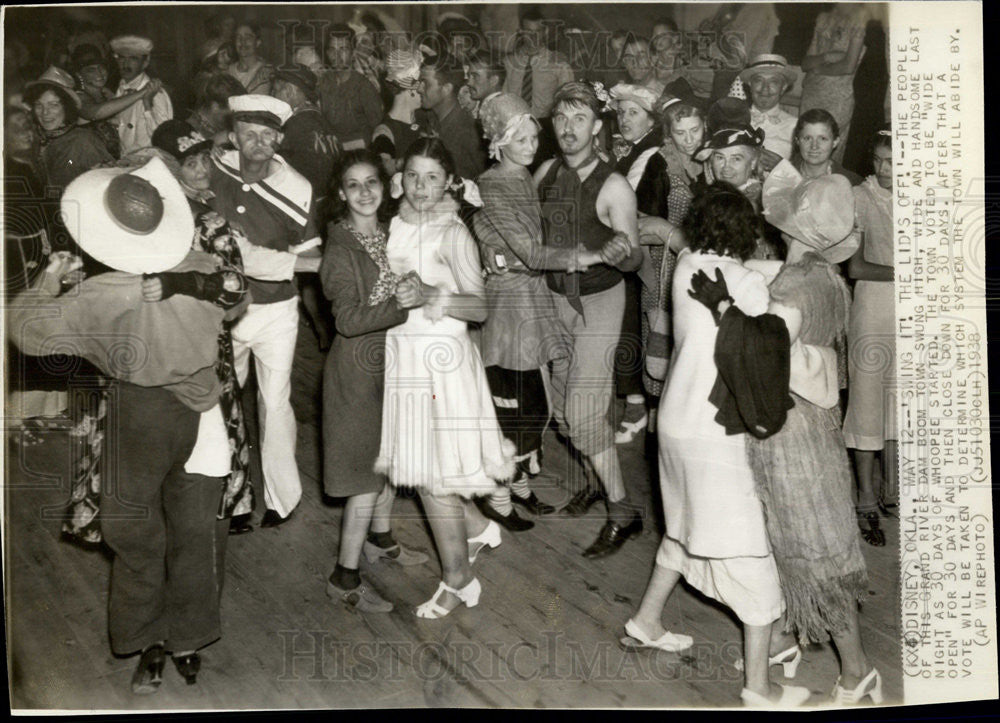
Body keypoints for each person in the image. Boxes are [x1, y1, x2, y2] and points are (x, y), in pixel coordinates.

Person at [9, 156, 246, 695]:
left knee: (130, 526)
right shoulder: (204, 266)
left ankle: (150, 641)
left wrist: (49, 280)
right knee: (197, 527)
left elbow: (22, 329)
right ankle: (189, 638)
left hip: (139, 417)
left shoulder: (94, 297)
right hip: (206, 409)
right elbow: (238, 299)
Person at [624, 184, 809, 707]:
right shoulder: (745, 281)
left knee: (684, 526)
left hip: (675, 421)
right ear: (744, 231)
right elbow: (778, 328)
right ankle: (758, 685)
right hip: (714, 430)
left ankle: (647, 620)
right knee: (750, 549)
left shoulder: (685, 266)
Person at [689, 252, 882, 706]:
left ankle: (858, 672)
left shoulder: (795, 288)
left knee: (817, 556)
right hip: (803, 424)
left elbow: (763, 351)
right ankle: (779, 640)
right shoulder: (820, 273)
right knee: (781, 540)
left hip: (793, 435)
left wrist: (722, 307)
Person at [376, 138, 513, 618]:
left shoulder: (454, 232)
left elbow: (479, 306)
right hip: (401, 356)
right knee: (426, 466)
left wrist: (433, 294)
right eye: (414, 175)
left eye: (433, 177)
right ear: (400, 178)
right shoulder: (388, 224)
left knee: (432, 474)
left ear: (449, 181)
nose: (421, 186)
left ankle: (459, 581)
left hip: (441, 360)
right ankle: (476, 527)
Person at [534, 82, 644, 558]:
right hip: (557, 299)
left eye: (580, 119)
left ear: (598, 127)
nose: (568, 128)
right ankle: (599, 481)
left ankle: (624, 511)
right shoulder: (545, 173)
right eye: (561, 118)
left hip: (600, 300)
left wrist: (621, 253)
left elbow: (635, 259)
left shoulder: (614, 184)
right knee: (562, 409)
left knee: (581, 416)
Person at [321, 150, 430, 613]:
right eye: (353, 184)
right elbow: (346, 320)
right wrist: (402, 305)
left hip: (393, 363)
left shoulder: (391, 233)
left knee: (386, 460)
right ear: (341, 194)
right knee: (365, 480)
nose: (364, 192)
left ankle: (381, 541)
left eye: (371, 182)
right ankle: (343, 577)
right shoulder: (339, 249)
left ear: (385, 188)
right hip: (357, 370)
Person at [208, 95, 323, 528]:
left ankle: (282, 498)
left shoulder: (297, 188)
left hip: (275, 309)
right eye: (249, 134)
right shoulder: (213, 167)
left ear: (279, 138)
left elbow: (310, 257)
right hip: (221, 309)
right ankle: (230, 496)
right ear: (234, 134)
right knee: (222, 402)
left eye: (267, 135)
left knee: (274, 404)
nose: (258, 143)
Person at [472, 93, 583, 529]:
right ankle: (497, 497)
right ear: (498, 141)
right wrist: (579, 257)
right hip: (508, 309)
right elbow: (530, 252)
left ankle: (517, 486)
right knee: (519, 409)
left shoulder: (522, 178)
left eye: (534, 136)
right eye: (520, 138)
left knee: (530, 407)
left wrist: (516, 258)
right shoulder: (493, 184)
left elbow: (522, 252)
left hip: (530, 301)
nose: (531, 144)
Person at [606, 83, 671, 443]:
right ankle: (636, 402)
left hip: (651, 253)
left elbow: (627, 205)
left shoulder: (651, 154)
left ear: (650, 119)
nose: (624, 118)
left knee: (641, 327)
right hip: (636, 246)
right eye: (621, 111)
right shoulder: (633, 150)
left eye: (633, 113)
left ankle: (639, 405)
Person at [843, 129, 896, 546]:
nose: (882, 170)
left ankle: (892, 489)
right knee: (866, 401)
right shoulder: (860, 197)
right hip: (872, 306)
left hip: (908, 311)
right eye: (877, 160)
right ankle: (864, 496)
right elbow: (856, 268)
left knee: (899, 401)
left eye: (891, 162)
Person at [503, 6, 574, 168]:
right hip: (514, 129)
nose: (533, 37)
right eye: (528, 31)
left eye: (538, 31)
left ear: (545, 32)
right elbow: (502, 99)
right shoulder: (508, 63)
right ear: (520, 32)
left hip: (545, 132)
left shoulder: (558, 63)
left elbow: (568, 104)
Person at [24, 67, 113, 192]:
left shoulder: (82, 141)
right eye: (39, 105)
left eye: (53, 105)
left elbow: (110, 183)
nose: (45, 112)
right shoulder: (35, 137)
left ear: (67, 107)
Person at [800, 4, 868, 165]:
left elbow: (848, 66)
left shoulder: (861, 17)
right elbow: (805, 63)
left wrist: (817, 69)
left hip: (838, 97)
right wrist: (827, 56)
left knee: (828, 150)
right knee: (806, 144)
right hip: (811, 94)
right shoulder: (823, 18)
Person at [70, 43, 155, 159]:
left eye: (101, 67)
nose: (99, 73)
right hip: (88, 160)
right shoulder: (78, 96)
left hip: (113, 159)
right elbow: (95, 113)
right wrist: (141, 92)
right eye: (91, 70)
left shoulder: (107, 93)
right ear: (79, 75)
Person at [419, 52, 486, 181]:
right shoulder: (432, 118)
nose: (419, 89)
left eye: (425, 83)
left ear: (446, 89)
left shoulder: (465, 132)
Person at [319, 23, 382, 151]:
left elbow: (377, 132)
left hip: (357, 155)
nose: (337, 56)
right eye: (332, 49)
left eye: (343, 49)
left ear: (353, 52)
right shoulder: (323, 82)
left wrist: (340, 147)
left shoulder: (364, 87)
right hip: (329, 154)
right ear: (326, 52)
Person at [109, 35, 173, 156]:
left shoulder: (156, 93)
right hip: (126, 160)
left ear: (145, 63)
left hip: (147, 162)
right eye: (121, 58)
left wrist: (147, 104)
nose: (125, 63)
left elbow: (164, 139)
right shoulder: (122, 88)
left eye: (133, 58)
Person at [371, 48, 428, 176]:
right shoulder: (385, 130)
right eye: (423, 84)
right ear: (411, 90)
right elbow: (383, 167)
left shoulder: (422, 118)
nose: (425, 90)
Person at [738, 54, 799, 160]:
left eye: (773, 82)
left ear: (783, 87)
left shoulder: (795, 126)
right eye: (759, 80)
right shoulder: (733, 119)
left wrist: (780, 166)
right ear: (750, 84)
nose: (765, 88)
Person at [791, 108, 863, 186]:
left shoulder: (852, 183)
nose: (814, 146)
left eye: (823, 139)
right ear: (797, 140)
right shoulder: (782, 174)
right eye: (807, 138)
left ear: (835, 142)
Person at [227, 22, 274, 96]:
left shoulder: (266, 71)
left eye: (248, 37)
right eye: (238, 37)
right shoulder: (228, 71)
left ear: (258, 42)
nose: (242, 42)